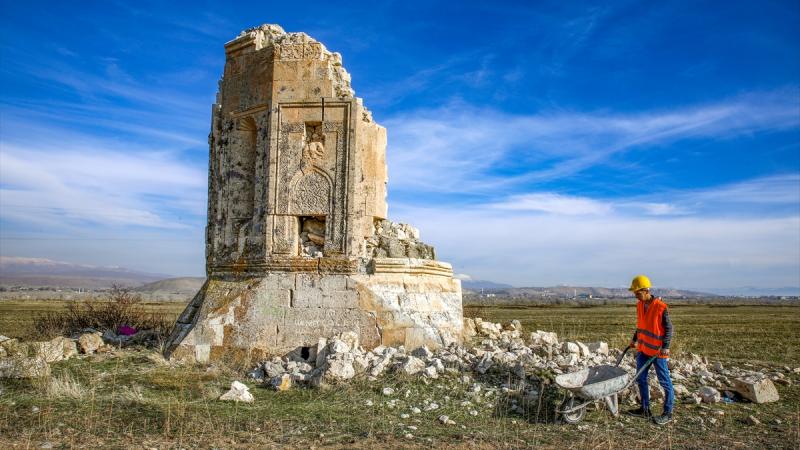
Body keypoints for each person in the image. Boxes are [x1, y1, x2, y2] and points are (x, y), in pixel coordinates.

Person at [625, 274, 675, 425]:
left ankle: (668, 413)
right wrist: (634, 339)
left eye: (637, 292)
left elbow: (669, 329)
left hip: (658, 352)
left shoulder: (661, 307)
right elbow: (641, 325)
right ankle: (645, 409)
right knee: (640, 379)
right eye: (634, 292)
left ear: (646, 290)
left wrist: (665, 347)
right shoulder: (640, 305)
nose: (635, 295)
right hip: (643, 349)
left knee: (664, 382)